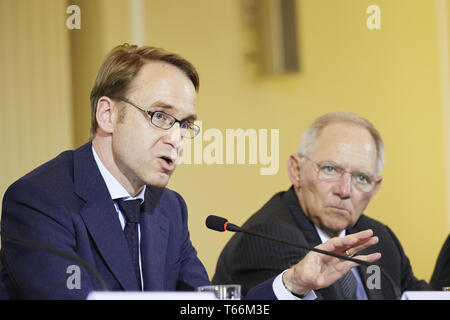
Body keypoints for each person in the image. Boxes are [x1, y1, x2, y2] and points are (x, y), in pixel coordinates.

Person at [0, 44, 380, 299]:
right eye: (160, 116)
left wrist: (294, 281)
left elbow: (203, 306)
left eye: (185, 125)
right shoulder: (38, 201)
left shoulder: (169, 208)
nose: (176, 139)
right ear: (108, 114)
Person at [213, 112, 432, 299]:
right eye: (330, 169)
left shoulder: (380, 239)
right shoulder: (268, 238)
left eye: (361, 178)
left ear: (375, 188)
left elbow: (416, 293)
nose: (344, 190)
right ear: (296, 171)